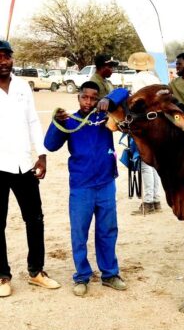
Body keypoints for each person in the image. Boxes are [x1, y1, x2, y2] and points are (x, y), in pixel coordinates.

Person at [44, 81, 129, 297]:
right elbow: (50, 145)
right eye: (85, 97)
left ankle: (110, 274)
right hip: (81, 186)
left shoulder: (104, 115)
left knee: (108, 231)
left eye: (93, 97)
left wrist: (108, 100)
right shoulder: (70, 120)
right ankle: (81, 276)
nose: (88, 102)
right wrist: (56, 122)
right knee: (79, 233)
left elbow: (124, 92)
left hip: (106, 183)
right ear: (78, 97)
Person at [0, 40, 61, 297]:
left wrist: (42, 155)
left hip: (24, 163)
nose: (3, 61)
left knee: (34, 219)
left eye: (7, 56)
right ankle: (2, 276)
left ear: (13, 59)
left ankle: (36, 271)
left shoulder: (23, 86)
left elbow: (34, 122)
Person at [127, 52, 163, 215]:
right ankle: (155, 200)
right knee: (154, 163)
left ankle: (148, 201)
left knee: (146, 163)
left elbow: (135, 103)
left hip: (145, 124)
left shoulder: (137, 80)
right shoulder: (155, 79)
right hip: (159, 123)